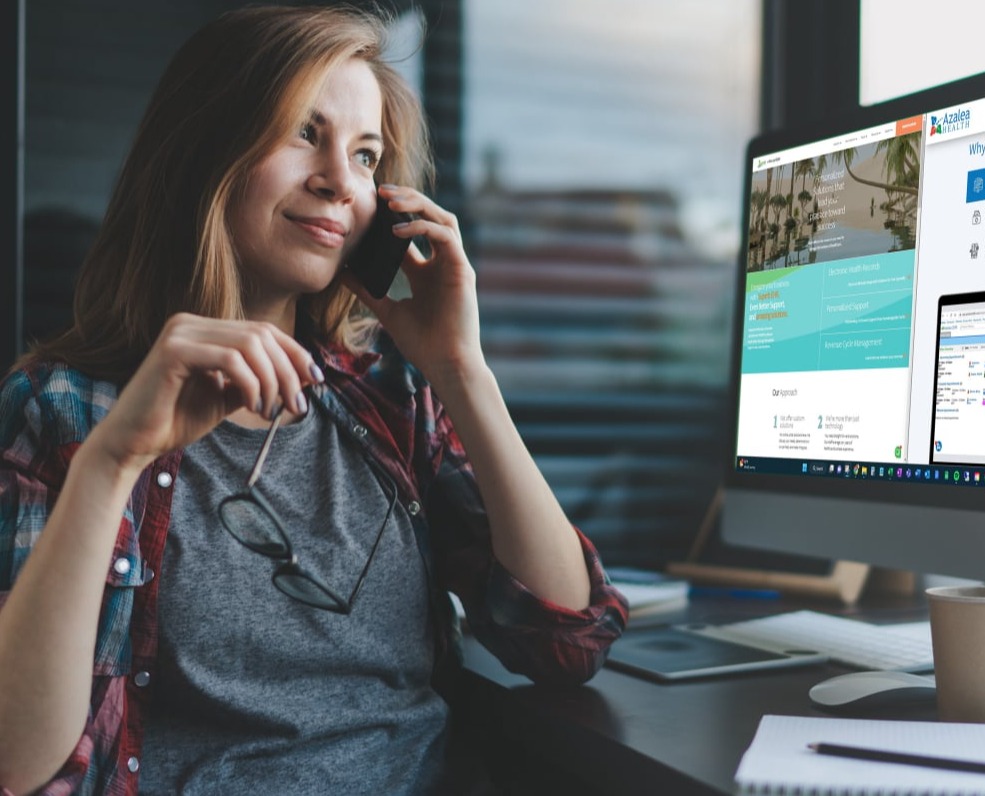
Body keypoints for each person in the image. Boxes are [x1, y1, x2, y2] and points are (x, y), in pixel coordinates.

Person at [0, 5, 627, 794]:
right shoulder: (64, 410)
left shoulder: (387, 400)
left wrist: (461, 368)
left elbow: (567, 638)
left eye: (366, 156)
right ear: (207, 151)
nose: (339, 181)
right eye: (305, 133)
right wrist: (113, 460)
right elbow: (15, 762)